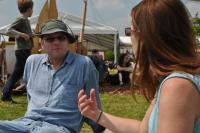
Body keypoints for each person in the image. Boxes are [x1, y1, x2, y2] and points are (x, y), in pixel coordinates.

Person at [78, 0, 200, 133]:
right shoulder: (171, 81)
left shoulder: (176, 86)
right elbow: (143, 129)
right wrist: (97, 115)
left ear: (147, 37)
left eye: (131, 31)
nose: (131, 38)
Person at [0, 19, 105, 133]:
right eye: (50, 38)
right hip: (26, 124)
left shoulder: (84, 64)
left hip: (60, 128)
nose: (56, 42)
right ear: (42, 43)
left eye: (61, 38)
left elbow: (93, 106)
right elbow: (31, 98)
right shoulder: (32, 62)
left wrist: (100, 128)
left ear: (68, 41)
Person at [1, 0, 34, 101]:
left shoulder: (26, 20)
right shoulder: (20, 19)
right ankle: (6, 94)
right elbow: (8, 30)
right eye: (32, 8)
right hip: (22, 50)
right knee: (18, 73)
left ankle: (7, 93)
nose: (32, 11)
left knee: (22, 73)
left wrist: (31, 35)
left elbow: (27, 34)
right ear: (29, 9)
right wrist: (21, 34)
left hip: (25, 50)